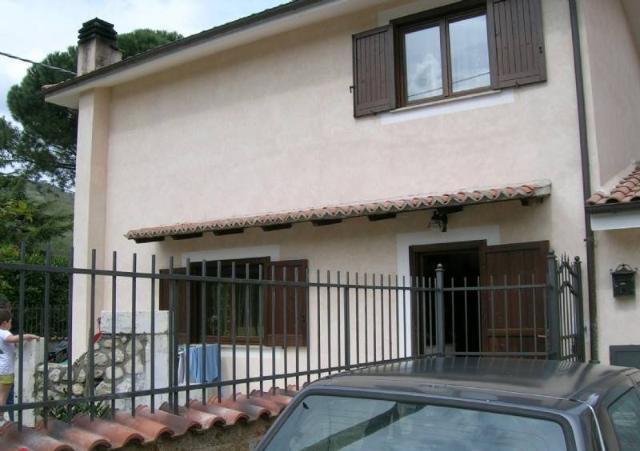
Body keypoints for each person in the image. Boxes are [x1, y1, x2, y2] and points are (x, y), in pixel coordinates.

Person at [0, 309, 39, 424]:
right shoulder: (4, 332)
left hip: (1, 368)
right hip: (6, 369)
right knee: (3, 395)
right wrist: (29, 336)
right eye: (10, 322)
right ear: (4, 323)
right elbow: (11, 339)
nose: (11, 324)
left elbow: (13, 344)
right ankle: (1, 417)